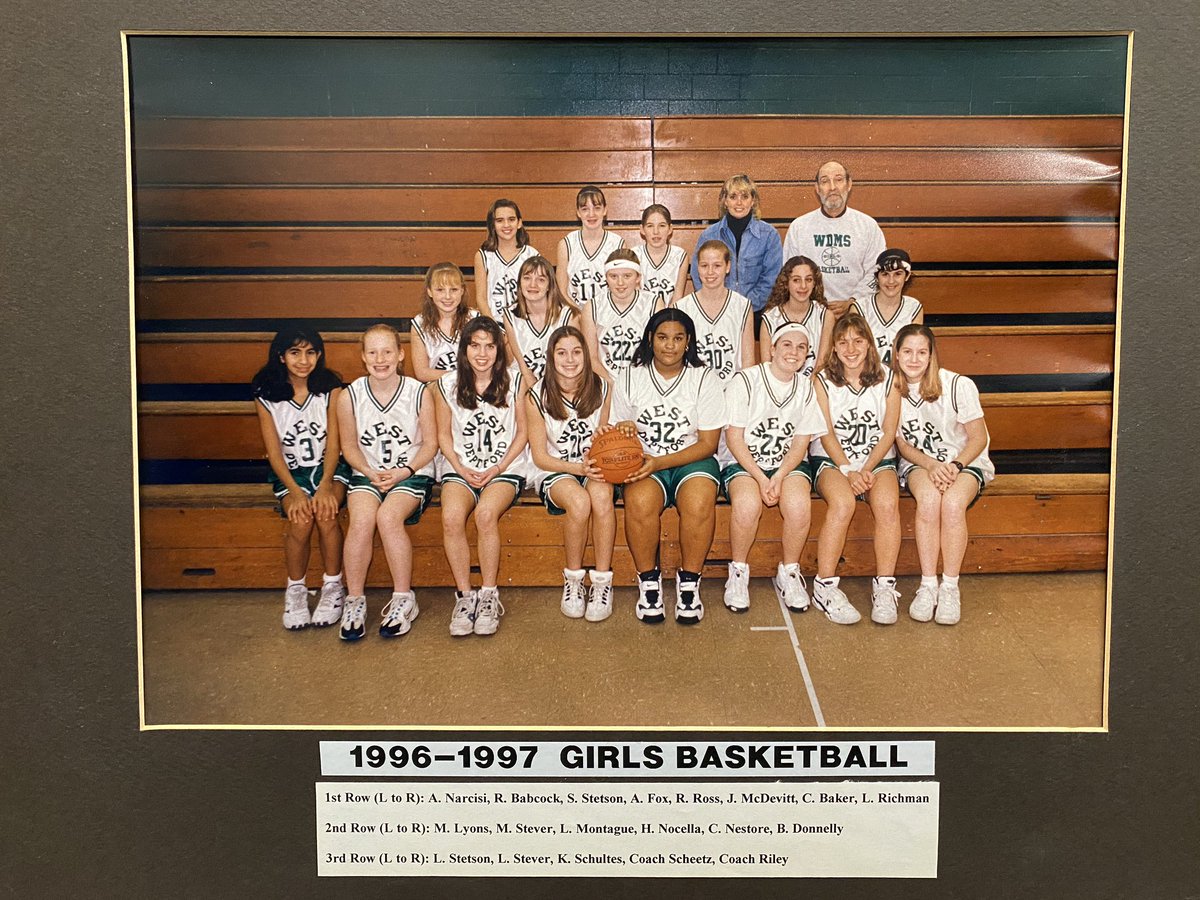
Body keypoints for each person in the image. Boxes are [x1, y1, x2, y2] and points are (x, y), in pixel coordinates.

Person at [608, 308, 726, 625]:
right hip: (644, 458)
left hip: (692, 458)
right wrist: (625, 431)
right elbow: (617, 433)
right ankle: (649, 582)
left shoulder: (704, 378)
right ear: (650, 339)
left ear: (688, 341)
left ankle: (689, 583)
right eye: (662, 337)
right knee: (639, 501)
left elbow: (708, 444)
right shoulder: (630, 376)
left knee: (699, 502)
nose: (669, 345)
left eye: (677, 338)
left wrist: (659, 462)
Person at [335, 324, 439, 641]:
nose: (380, 359)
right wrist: (368, 471)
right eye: (373, 352)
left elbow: (430, 445)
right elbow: (349, 447)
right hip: (368, 472)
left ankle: (403, 599)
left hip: (411, 472)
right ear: (363, 357)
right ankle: (355, 600)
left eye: (387, 351)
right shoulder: (349, 396)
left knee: (389, 516)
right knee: (361, 519)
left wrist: (403, 471)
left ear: (400, 354)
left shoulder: (418, 392)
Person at [720, 321, 828, 613]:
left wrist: (779, 476)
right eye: (787, 345)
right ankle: (738, 571)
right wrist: (760, 477)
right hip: (744, 461)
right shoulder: (746, 380)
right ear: (772, 348)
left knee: (799, 505)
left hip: (785, 464)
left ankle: (789, 572)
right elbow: (734, 438)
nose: (794, 352)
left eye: (801, 347)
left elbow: (801, 442)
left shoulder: (805, 387)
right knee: (747, 505)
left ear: (807, 354)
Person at [893, 324, 995, 625]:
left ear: (931, 355)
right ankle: (928, 585)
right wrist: (931, 465)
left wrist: (955, 465)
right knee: (928, 501)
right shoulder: (889, 390)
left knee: (951, 504)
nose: (914, 359)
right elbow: (901, 444)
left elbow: (978, 438)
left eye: (921, 352)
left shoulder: (958, 385)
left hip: (964, 460)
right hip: (921, 462)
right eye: (907, 351)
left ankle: (950, 586)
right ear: (896, 354)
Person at [433, 317, 529, 638]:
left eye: (490, 346)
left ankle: (488, 594)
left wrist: (497, 468)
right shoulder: (447, 384)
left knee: (486, 514)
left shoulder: (515, 381)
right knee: (451, 517)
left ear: (499, 350)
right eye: (475, 345)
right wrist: (460, 468)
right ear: (464, 349)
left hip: (504, 468)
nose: (482, 353)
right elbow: (443, 435)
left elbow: (523, 433)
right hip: (461, 468)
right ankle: (464, 596)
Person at [251, 326, 350, 631]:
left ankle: (333, 585)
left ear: (319, 355)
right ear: (281, 356)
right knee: (301, 519)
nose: (303, 360)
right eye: (295, 353)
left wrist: (325, 485)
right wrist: (294, 492)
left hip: (329, 467)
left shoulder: (330, 388)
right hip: (291, 472)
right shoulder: (266, 394)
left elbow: (334, 443)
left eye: (310, 353)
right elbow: (274, 452)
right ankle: (295, 588)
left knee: (326, 512)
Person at [811, 313, 903, 626]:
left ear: (869, 344)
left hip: (876, 459)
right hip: (834, 460)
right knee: (842, 503)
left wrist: (866, 468)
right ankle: (824, 585)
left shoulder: (889, 378)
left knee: (888, 505)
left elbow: (889, 432)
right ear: (834, 347)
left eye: (858, 341)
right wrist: (849, 469)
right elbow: (826, 432)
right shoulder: (822, 380)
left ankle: (885, 586)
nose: (851, 349)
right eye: (843, 342)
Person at [525, 326, 617, 622]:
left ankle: (602, 581)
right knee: (579, 502)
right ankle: (574, 579)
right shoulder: (535, 395)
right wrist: (577, 468)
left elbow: (604, 440)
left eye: (577, 352)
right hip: (554, 467)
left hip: (592, 464)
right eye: (562, 353)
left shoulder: (603, 387)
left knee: (601, 497)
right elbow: (540, 456)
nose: (570, 359)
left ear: (586, 355)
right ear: (551, 357)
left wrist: (599, 454)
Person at [782, 160, 886, 315]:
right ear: (817, 188)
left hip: (857, 311)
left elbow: (876, 271)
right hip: (811, 311)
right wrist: (816, 306)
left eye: (838, 180)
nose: (832, 187)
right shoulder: (799, 227)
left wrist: (853, 302)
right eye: (825, 181)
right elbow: (790, 273)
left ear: (849, 184)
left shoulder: (868, 226)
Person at [688, 174, 782, 315]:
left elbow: (771, 278)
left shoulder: (769, 235)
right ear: (725, 201)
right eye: (733, 197)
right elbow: (697, 274)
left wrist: (745, 305)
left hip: (756, 311)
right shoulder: (709, 235)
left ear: (753, 201)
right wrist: (718, 304)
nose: (739, 203)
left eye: (744, 197)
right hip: (716, 310)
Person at [675, 239, 756, 381]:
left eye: (717, 265)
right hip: (694, 389)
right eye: (704, 265)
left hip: (733, 388)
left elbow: (748, 361)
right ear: (697, 267)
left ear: (728, 266)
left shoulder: (742, 306)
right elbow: (678, 361)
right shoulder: (682, 308)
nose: (710, 272)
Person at [580, 248, 663, 384]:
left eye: (627, 276)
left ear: (638, 277)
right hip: (605, 382)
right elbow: (591, 357)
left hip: (644, 382)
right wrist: (611, 385)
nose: (620, 283)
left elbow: (658, 353)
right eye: (613, 276)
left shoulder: (654, 304)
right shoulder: (592, 306)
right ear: (606, 277)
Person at [503, 254, 577, 386]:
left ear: (550, 285)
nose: (533, 284)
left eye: (541, 280)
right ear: (519, 283)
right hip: (524, 383)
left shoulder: (568, 316)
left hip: (559, 384)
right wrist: (534, 391)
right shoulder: (510, 315)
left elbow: (572, 363)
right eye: (527, 278)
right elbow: (522, 366)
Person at [759, 255, 834, 377]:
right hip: (778, 385)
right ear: (786, 283)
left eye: (808, 279)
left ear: (815, 283)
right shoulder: (770, 319)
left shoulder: (825, 316)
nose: (803, 286)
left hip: (814, 385)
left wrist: (807, 388)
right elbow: (767, 369)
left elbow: (821, 365)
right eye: (796, 280)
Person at [850, 248, 924, 367]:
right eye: (885, 274)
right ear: (876, 277)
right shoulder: (860, 308)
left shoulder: (913, 307)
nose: (891, 281)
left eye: (898, 274)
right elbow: (854, 352)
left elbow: (914, 350)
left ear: (907, 276)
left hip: (902, 374)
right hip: (867, 374)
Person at [556, 185, 625, 306]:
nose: (591, 214)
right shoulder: (566, 245)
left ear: (605, 210)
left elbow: (623, 289)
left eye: (597, 208)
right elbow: (561, 292)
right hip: (574, 312)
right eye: (585, 209)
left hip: (608, 312)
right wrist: (578, 313)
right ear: (578, 212)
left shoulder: (617, 244)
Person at [410, 261, 478, 383]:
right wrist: (458, 377)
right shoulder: (420, 324)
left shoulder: (474, 319)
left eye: (454, 289)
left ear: (462, 290)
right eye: (440, 290)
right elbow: (422, 373)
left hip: (471, 385)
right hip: (437, 386)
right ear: (429, 291)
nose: (447, 296)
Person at [474, 198, 540, 320]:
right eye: (500, 220)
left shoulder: (532, 255)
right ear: (493, 225)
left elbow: (539, 296)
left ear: (519, 223)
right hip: (494, 323)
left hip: (524, 324)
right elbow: (481, 299)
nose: (506, 225)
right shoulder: (483, 256)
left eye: (511, 219)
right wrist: (493, 328)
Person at [632, 203, 689, 304]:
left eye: (662, 226)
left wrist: (667, 314)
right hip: (642, 312)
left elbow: (678, 297)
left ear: (670, 229)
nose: (656, 231)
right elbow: (636, 298)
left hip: (670, 312)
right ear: (642, 229)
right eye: (650, 226)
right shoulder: (634, 255)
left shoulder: (680, 256)